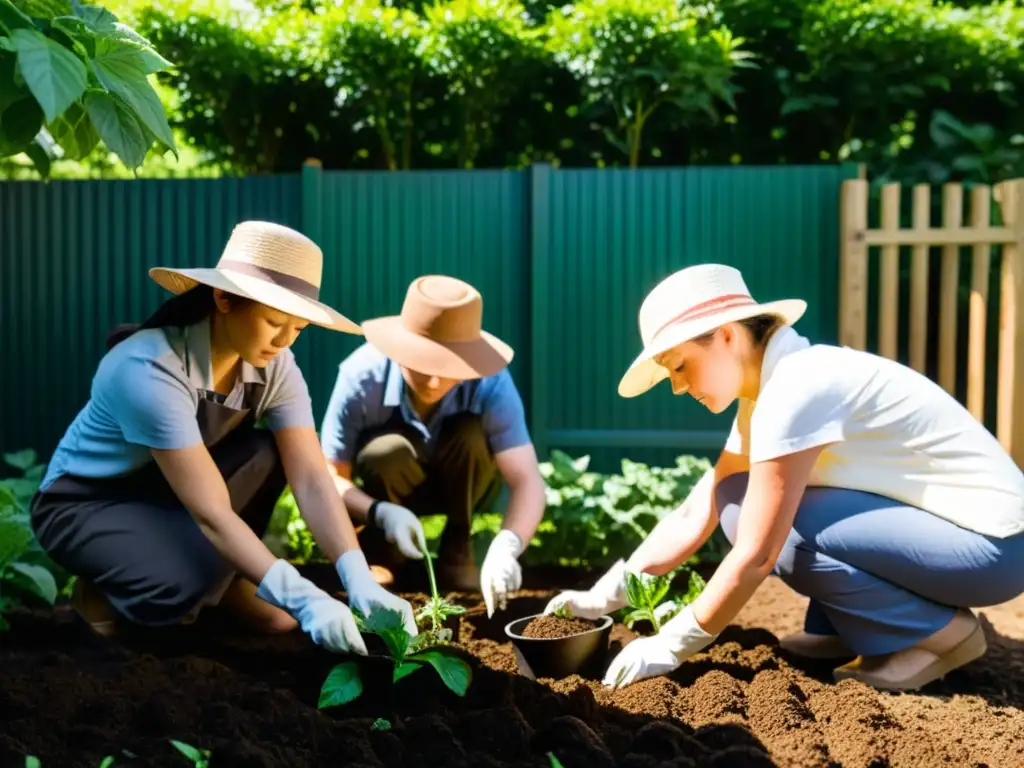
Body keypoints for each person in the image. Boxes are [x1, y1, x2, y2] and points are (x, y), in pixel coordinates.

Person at [545, 263, 1024, 692]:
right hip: (972, 541)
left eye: (679, 366)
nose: (677, 386)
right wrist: (605, 595)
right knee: (736, 495)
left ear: (727, 335)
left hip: (993, 550)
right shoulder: (773, 387)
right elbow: (701, 507)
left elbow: (757, 552)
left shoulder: (796, 387)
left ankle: (935, 634)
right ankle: (846, 627)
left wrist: (672, 644)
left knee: (773, 525)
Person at [31, 221, 417, 653]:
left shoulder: (275, 367)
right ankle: (106, 592)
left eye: (298, 328)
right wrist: (305, 598)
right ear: (223, 298)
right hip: (87, 504)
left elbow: (310, 476)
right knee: (181, 584)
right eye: (274, 321)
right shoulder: (149, 368)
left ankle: (224, 578)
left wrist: (358, 576)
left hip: (173, 493)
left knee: (267, 454)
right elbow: (212, 512)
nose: (284, 340)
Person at [320, 274, 546, 617]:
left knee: (469, 434)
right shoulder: (360, 376)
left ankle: (459, 547)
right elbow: (328, 477)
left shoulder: (491, 384)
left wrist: (507, 546)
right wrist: (378, 512)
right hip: (388, 491)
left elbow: (527, 479)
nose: (435, 380)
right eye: (423, 363)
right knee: (386, 451)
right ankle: (384, 555)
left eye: (448, 366)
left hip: (467, 485)